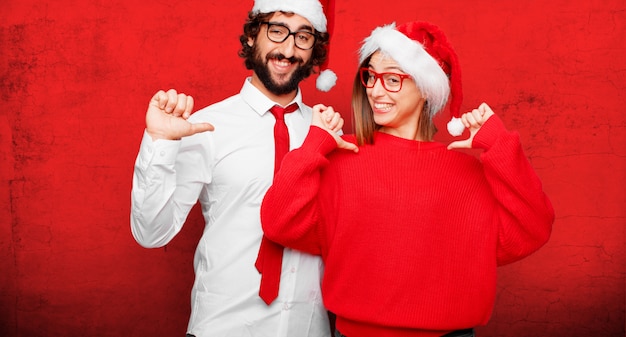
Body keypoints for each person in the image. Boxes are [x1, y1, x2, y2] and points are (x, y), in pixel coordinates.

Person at [260, 21, 555, 337]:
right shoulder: (341, 156)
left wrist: (499, 146)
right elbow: (280, 224)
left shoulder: (468, 172)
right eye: (371, 76)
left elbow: (532, 230)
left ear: (427, 89)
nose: (375, 89)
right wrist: (314, 145)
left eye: (392, 79)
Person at [130, 1, 339, 336]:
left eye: (303, 36)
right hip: (222, 326)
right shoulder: (207, 126)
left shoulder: (328, 135)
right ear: (253, 36)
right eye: (276, 31)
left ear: (315, 50)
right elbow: (152, 233)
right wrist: (159, 143)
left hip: (307, 328)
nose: (287, 49)